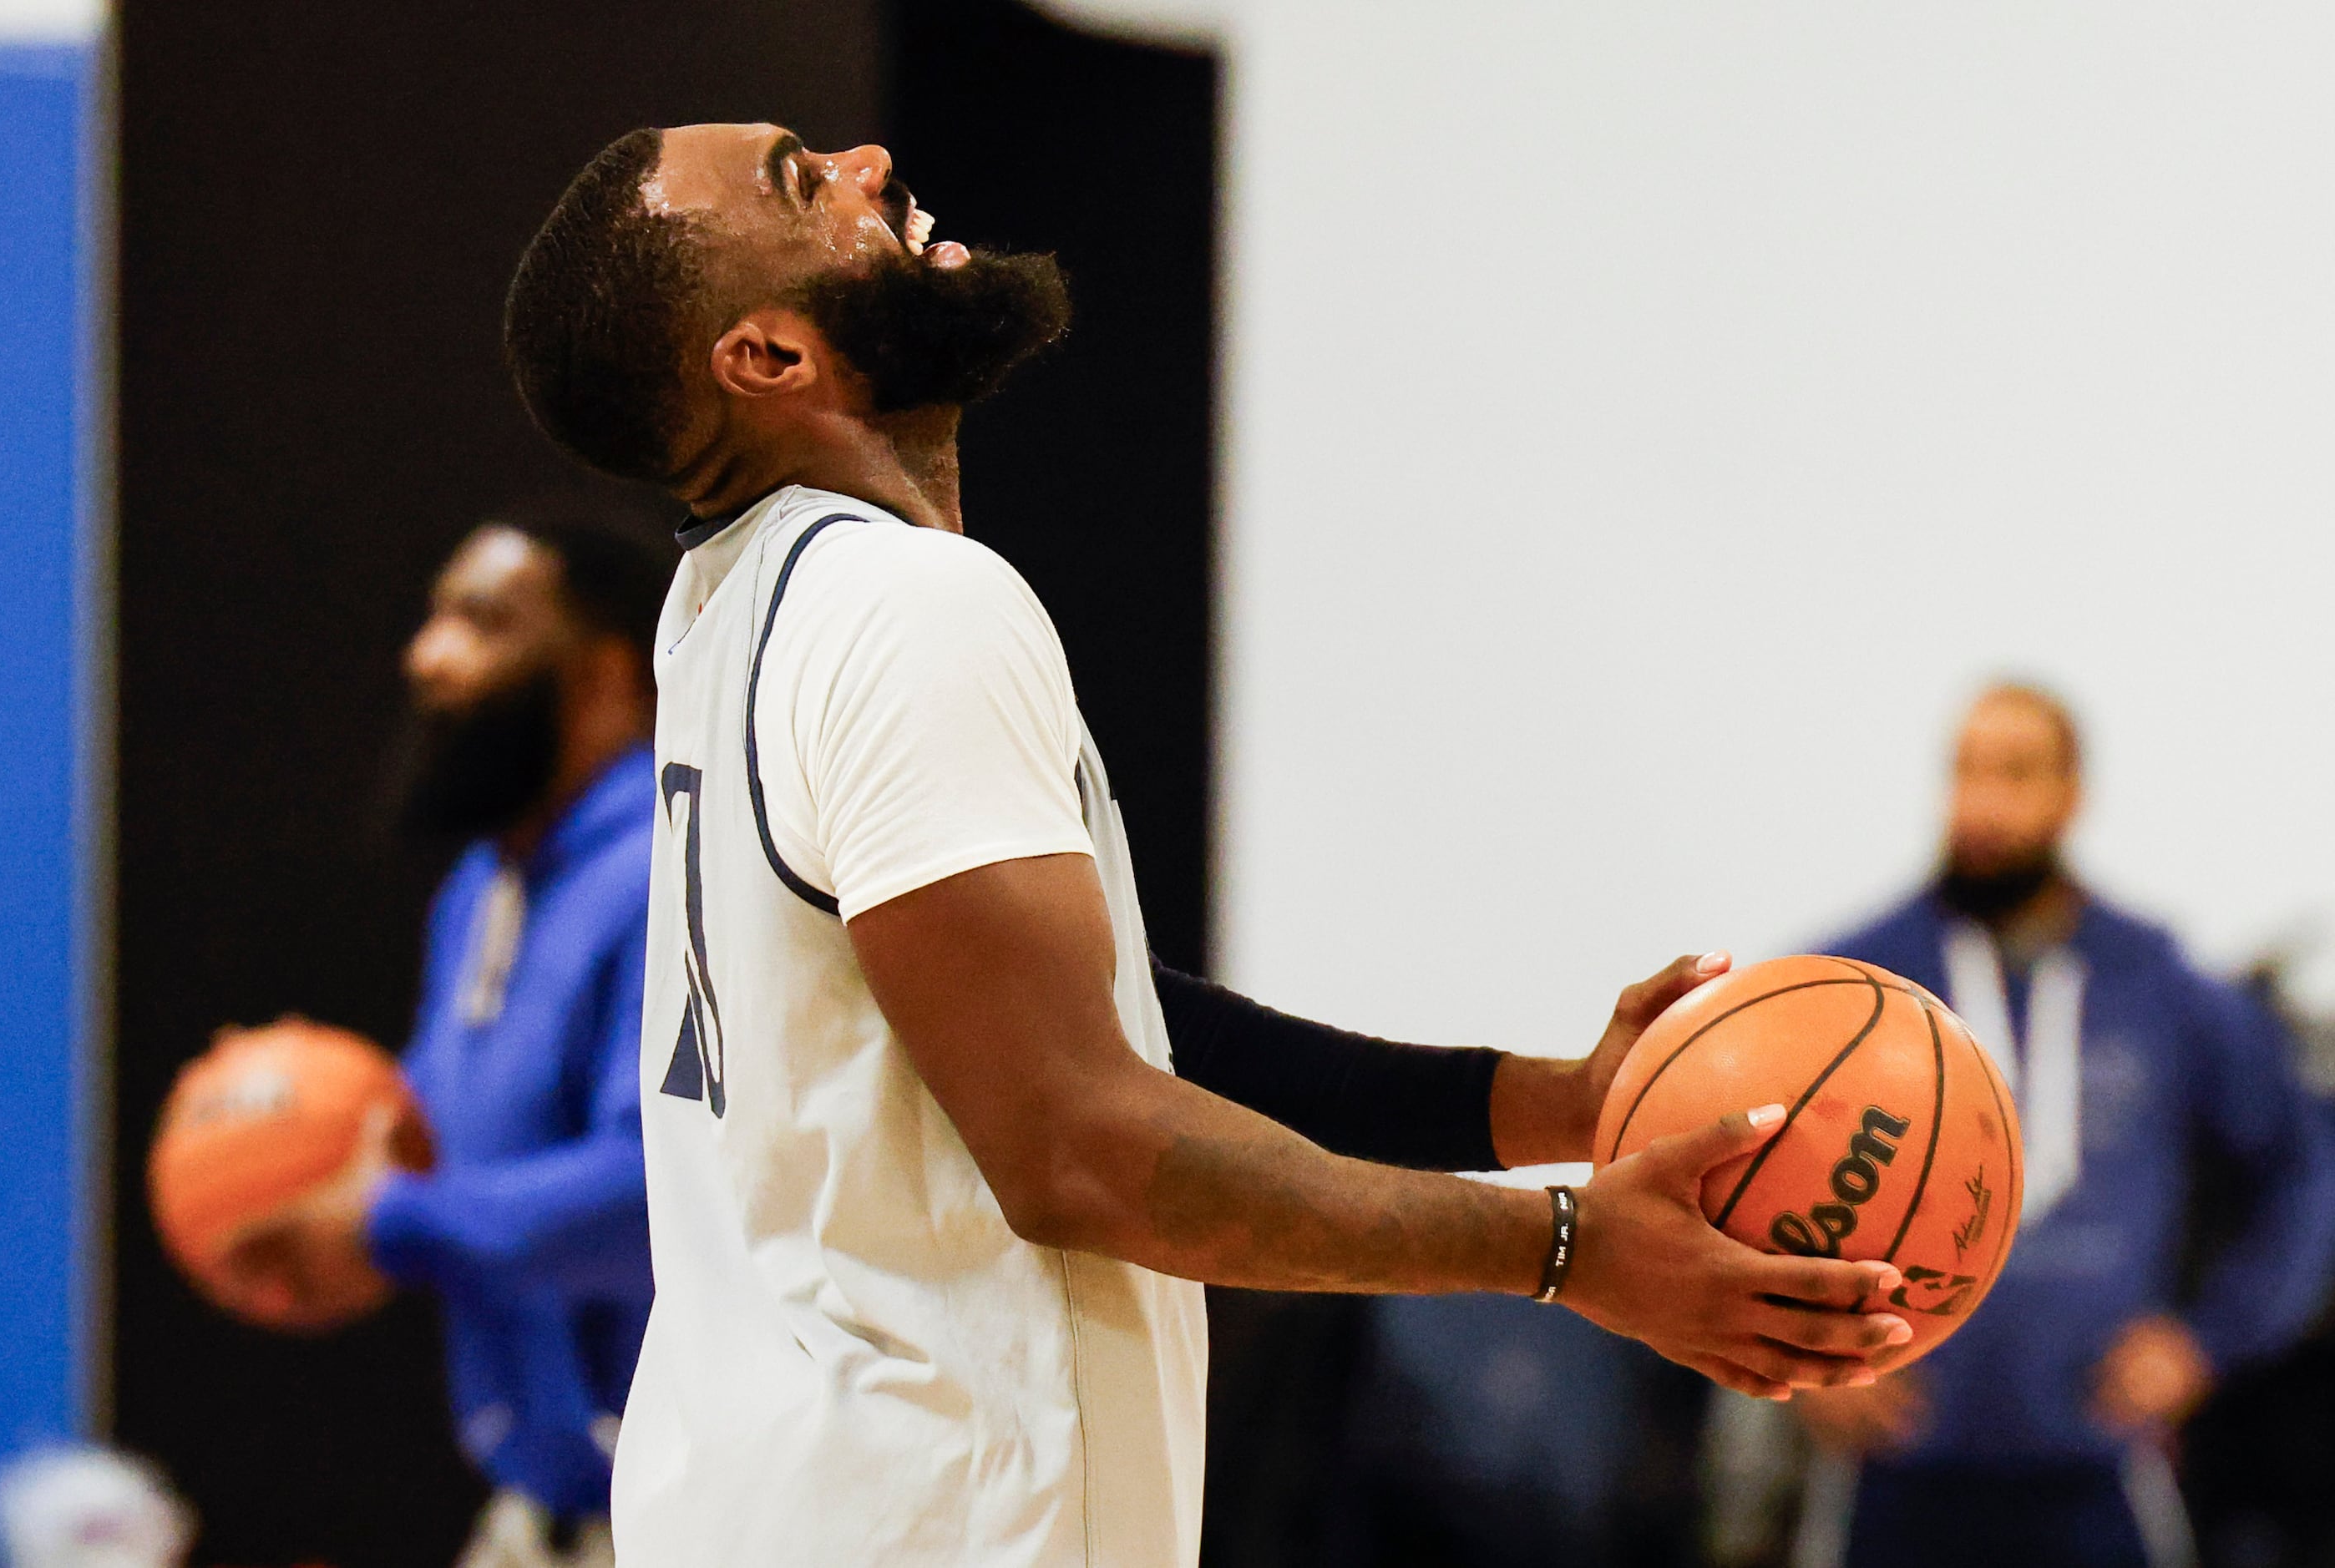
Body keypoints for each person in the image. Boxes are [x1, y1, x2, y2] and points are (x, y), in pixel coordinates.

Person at [499, 123, 1911, 1566]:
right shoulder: (901, 605)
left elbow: (1111, 1030)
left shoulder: (729, 606)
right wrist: (1562, 1246)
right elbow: (1082, 1143)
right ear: (770, 358)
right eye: (802, 183)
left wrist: (1549, 1104)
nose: (865, 159)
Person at [1789, 683, 2335, 1568]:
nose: (1983, 803)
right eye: (1964, 771)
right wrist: (1794, 1354)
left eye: (2014, 773)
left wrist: (2205, 1341)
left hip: (2095, 1466)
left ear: (2071, 794)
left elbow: (2300, 1170)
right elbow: (1734, 1176)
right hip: (1893, 1467)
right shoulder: (1858, 981)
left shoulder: (2154, 984)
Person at [224, 501, 676, 1568]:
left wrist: (391, 1227)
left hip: (678, 1525)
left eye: (483, 622)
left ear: (606, 674)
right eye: (434, 619)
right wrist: (291, 1170)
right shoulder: (482, 888)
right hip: (536, 1511)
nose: (426, 658)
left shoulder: (669, 874)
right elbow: (431, 1152)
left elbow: (659, 1194)